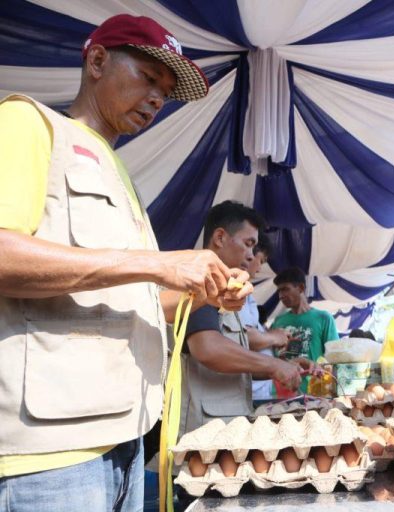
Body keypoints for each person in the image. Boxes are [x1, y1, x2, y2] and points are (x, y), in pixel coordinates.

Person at [0, 14, 252, 511]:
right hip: (51, 456)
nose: (158, 97)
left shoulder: (121, 175)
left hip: (128, 439)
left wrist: (202, 293)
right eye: (147, 76)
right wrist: (155, 263)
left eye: (166, 89)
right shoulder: (28, 124)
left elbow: (130, 293)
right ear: (96, 61)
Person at [179, 201, 305, 438]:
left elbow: (236, 366)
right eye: (248, 244)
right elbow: (208, 348)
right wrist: (273, 364)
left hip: (225, 429)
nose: (250, 256)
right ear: (220, 238)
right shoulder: (199, 280)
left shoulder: (228, 290)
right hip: (202, 436)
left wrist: (284, 368)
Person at [271, 267, 339, 393]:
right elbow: (271, 358)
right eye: (279, 291)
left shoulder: (323, 318)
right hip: (282, 391)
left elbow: (333, 358)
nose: (281, 296)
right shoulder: (278, 322)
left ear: (301, 288)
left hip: (315, 391)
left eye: (285, 289)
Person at [239, 237, 290, 400]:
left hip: (256, 390)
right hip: (247, 393)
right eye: (261, 260)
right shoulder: (232, 293)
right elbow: (244, 338)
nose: (260, 267)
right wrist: (275, 337)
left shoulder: (247, 296)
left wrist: (286, 363)